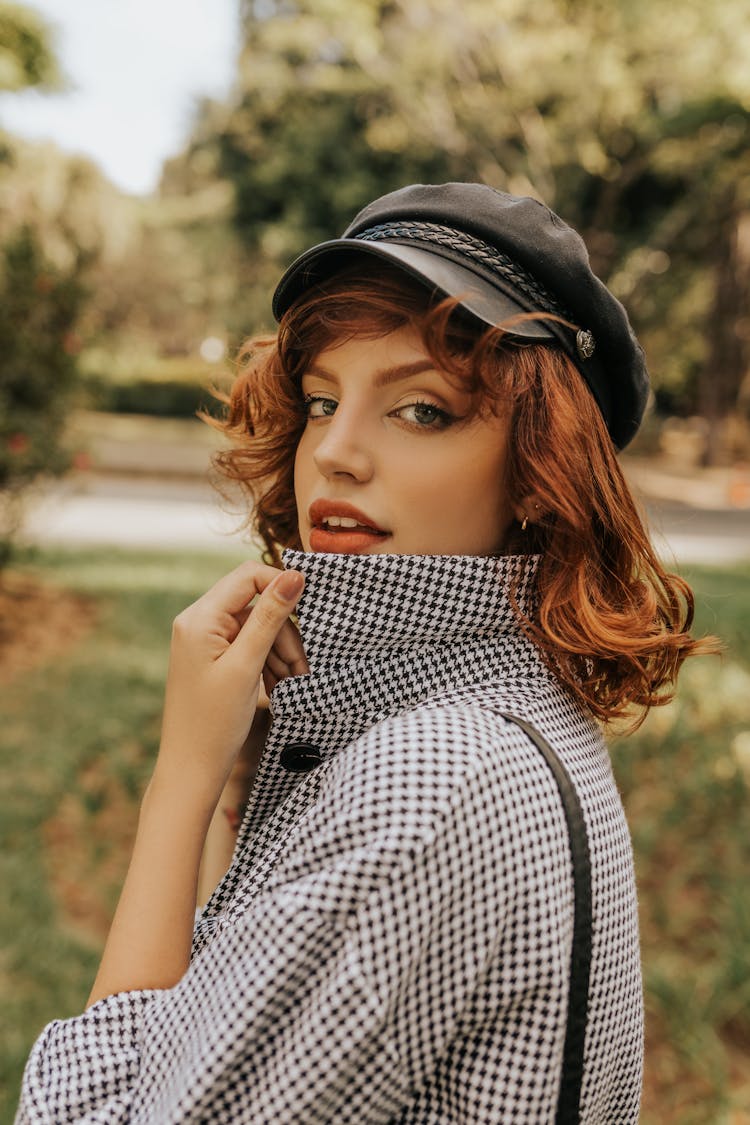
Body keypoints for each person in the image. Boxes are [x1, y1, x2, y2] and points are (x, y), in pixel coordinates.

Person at [16, 183, 713, 1124]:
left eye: (422, 409)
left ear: (540, 473)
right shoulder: (510, 717)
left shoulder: (429, 782)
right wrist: (231, 802)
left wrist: (175, 788)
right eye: (319, 400)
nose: (336, 453)